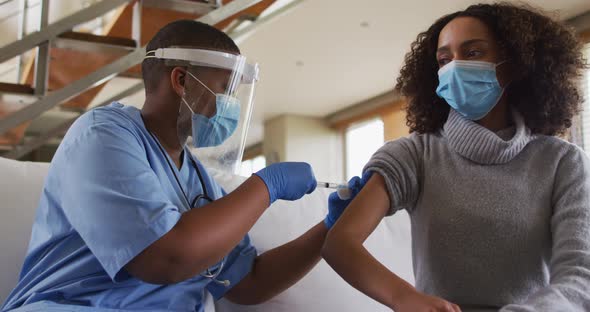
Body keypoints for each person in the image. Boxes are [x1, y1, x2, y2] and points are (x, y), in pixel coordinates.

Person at [2, 20, 365, 312]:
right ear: (181, 80)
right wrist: (266, 185)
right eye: (225, 87)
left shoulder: (199, 182)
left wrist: (330, 229)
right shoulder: (102, 135)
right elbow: (166, 258)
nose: (231, 105)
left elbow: (247, 281)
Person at [322, 3, 589, 312]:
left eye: (473, 53)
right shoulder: (413, 154)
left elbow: (580, 276)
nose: (455, 68)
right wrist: (404, 297)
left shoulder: (564, 163)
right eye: (444, 60)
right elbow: (340, 243)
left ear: (514, 64)